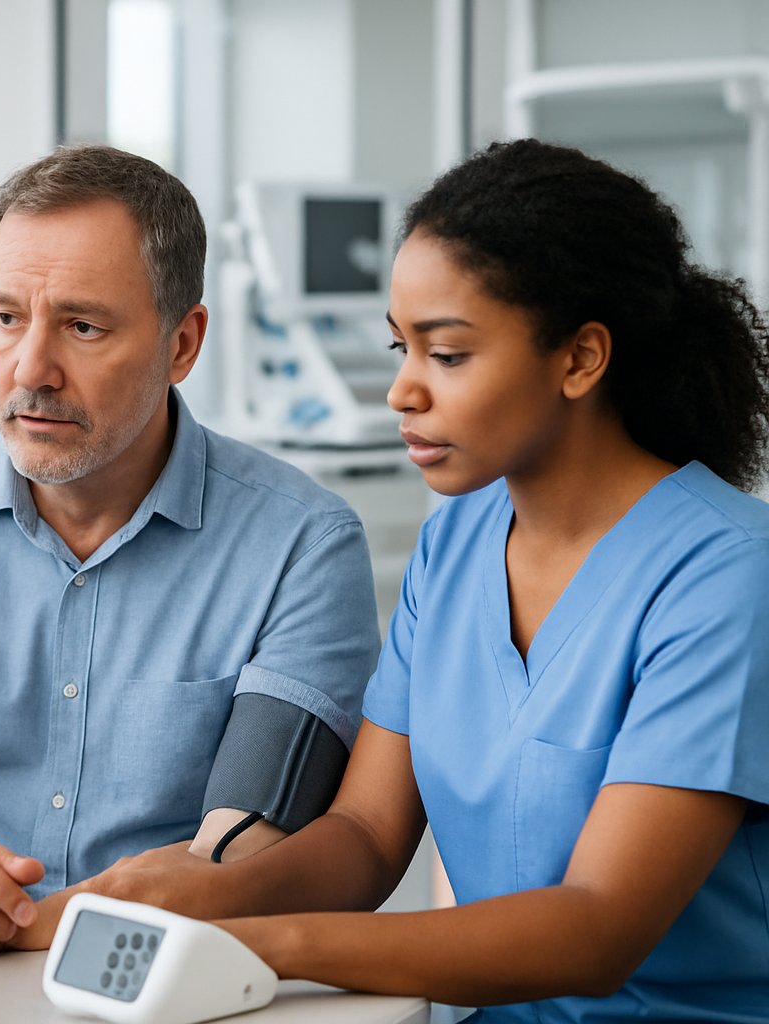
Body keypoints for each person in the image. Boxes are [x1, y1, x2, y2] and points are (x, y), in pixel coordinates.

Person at [72, 140, 769, 1022]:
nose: (402, 391)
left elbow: (597, 931)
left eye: (447, 355)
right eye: (401, 348)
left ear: (581, 359)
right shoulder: (454, 547)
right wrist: (208, 888)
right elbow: (365, 836)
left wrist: (263, 940)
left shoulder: (726, 577)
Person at [0, 145, 380, 963]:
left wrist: (30, 928)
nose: (31, 368)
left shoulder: (303, 546)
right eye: (5, 318)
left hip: (177, 986)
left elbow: (243, 846)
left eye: (83, 326)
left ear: (182, 344)